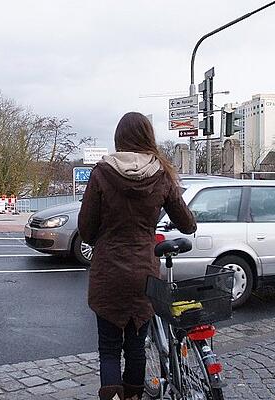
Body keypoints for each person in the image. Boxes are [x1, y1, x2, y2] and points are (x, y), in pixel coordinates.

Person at [78, 112, 197, 400]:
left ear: (120, 139)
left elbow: (86, 229)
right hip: (143, 272)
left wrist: (103, 235)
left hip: (108, 271)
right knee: (135, 347)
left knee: (108, 348)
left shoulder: (101, 173)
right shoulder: (161, 175)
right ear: (148, 138)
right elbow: (187, 224)